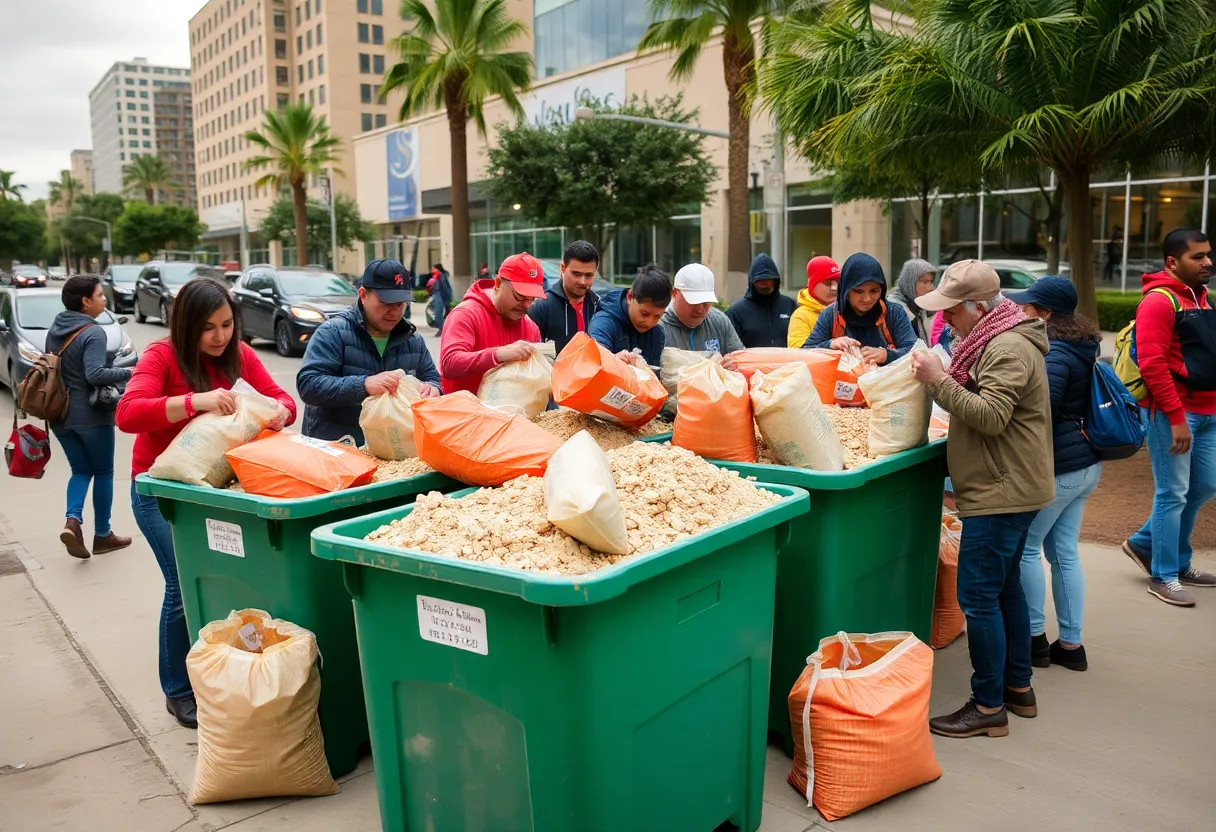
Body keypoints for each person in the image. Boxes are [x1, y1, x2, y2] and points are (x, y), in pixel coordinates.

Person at [117, 278, 296, 729]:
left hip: (219, 492)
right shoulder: (161, 356)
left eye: (226, 325)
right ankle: (177, 689)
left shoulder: (240, 353)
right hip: (161, 494)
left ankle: (227, 666)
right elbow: (128, 413)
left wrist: (280, 413)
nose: (219, 337)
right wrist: (195, 402)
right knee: (182, 583)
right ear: (185, 327)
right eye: (208, 329)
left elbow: (282, 399)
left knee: (227, 581)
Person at [909, 260, 1053, 738]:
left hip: (1002, 490)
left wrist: (938, 379)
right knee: (1004, 587)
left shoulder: (1008, 345)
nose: (945, 319)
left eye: (952, 310)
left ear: (979, 306)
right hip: (1010, 484)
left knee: (977, 596)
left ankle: (988, 704)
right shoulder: (994, 337)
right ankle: (1017, 687)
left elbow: (990, 417)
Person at [1005, 276, 1102, 670]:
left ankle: (1034, 640)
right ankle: (1072, 646)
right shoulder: (1082, 344)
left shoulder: (1057, 352)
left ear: (1046, 313)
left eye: (1028, 307)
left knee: (1027, 548)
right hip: (1084, 465)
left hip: (1060, 467)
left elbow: (1043, 409)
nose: (1022, 311)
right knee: (1063, 554)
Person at [1122, 229, 1216, 606]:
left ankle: (1149, 545)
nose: (1207, 262)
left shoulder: (1203, 298)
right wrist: (1176, 417)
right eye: (1198, 256)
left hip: (1208, 412)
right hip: (1174, 413)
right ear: (1172, 262)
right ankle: (1164, 574)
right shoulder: (1158, 302)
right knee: (1172, 493)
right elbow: (1153, 363)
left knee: (1205, 486)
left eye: (1208, 254)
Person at [297, 258, 441, 444]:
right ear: (363, 295)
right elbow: (309, 385)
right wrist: (364, 385)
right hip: (337, 445)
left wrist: (433, 388)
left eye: (401, 304)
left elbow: (433, 378)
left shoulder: (413, 339)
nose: (395, 312)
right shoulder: (333, 332)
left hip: (392, 447)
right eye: (386, 302)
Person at [45, 275, 133, 560]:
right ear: (86, 302)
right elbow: (94, 374)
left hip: (59, 415)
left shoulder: (56, 328)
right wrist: (131, 372)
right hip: (91, 415)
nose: (104, 300)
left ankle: (73, 521)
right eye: (100, 295)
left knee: (81, 471)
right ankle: (103, 534)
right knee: (104, 471)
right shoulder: (93, 331)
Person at [439, 251, 544, 394]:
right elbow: (449, 363)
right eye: (520, 296)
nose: (526, 305)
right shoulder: (466, 314)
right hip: (464, 413)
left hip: (512, 414)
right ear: (498, 284)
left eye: (532, 299)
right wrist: (497, 354)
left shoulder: (531, 327)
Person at [804, 252, 917, 366]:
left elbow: (915, 352)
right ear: (846, 291)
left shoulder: (894, 313)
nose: (867, 299)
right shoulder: (831, 315)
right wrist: (829, 345)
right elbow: (805, 352)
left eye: (874, 291)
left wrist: (886, 355)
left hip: (887, 382)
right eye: (859, 291)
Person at [587, 263, 671, 368]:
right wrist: (614, 362)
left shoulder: (657, 333)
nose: (649, 322)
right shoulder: (603, 324)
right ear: (630, 296)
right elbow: (592, 368)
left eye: (657, 316)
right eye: (644, 314)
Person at [527, 240, 603, 355]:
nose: (583, 282)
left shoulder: (599, 306)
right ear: (562, 269)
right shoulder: (541, 307)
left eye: (589, 275)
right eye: (576, 274)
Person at [659, 263, 745, 359]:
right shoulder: (658, 326)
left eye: (705, 302)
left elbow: (741, 359)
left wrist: (733, 363)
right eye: (693, 302)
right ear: (675, 293)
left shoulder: (720, 322)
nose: (700, 310)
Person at [726, 253, 797, 349]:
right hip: (750, 363)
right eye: (760, 279)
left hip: (787, 363)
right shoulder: (735, 312)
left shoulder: (789, 305)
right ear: (752, 281)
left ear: (775, 280)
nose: (765, 283)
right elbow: (730, 347)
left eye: (769, 279)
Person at [787, 256, 840, 348]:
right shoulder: (801, 316)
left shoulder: (847, 309)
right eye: (827, 283)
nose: (834, 288)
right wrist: (830, 345)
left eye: (838, 282)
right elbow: (797, 352)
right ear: (812, 285)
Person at [888, 259, 937, 344]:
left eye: (931, 282)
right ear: (910, 283)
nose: (930, 288)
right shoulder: (895, 308)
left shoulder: (920, 305)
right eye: (925, 282)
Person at [426, 262, 453, 336]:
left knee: (438, 316)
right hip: (436, 297)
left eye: (433, 268)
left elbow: (444, 288)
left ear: (437, 269)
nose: (432, 269)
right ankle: (442, 328)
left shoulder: (440, 276)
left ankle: (442, 329)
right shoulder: (436, 276)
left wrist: (446, 300)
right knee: (435, 314)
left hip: (439, 298)